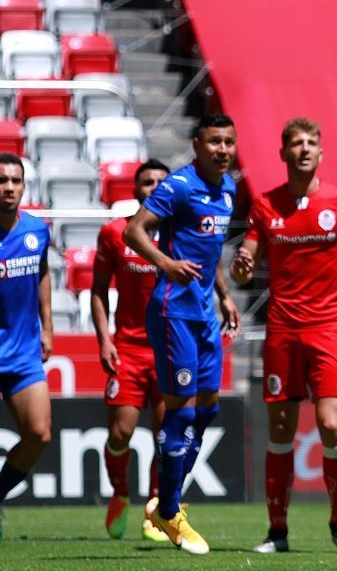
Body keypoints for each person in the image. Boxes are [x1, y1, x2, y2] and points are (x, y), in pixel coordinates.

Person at [229, 118, 337, 555]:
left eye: (311, 143)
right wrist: (242, 263)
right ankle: (277, 532)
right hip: (282, 329)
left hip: (330, 327)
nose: (303, 149)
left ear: (321, 152)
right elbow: (248, 254)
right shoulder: (266, 204)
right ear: (282, 154)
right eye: (295, 143)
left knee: (331, 423)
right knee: (280, 430)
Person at [125, 115, 242, 555]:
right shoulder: (179, 185)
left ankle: (165, 502)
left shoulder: (227, 189)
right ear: (198, 144)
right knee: (181, 411)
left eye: (229, 142)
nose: (223, 149)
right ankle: (170, 509)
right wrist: (165, 263)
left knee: (209, 409)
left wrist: (226, 295)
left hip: (206, 313)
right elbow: (133, 230)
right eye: (215, 141)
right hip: (173, 310)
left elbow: (208, 252)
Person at [91, 158, 172, 542]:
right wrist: (105, 339)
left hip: (169, 350)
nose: (154, 187)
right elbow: (98, 289)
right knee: (121, 433)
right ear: (135, 189)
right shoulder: (115, 233)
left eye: (161, 181)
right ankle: (120, 493)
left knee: (164, 434)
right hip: (128, 349)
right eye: (146, 182)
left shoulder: (181, 234)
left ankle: (156, 508)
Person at [0, 153, 52, 541]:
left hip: (22, 353)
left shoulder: (37, 230)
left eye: (16, 181)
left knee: (39, 434)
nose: (9, 188)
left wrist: (48, 325)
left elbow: (42, 271)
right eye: (2, 181)